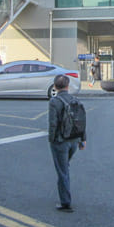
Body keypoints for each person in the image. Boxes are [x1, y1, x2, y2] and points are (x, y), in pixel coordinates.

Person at [48, 74, 86, 213]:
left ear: (55, 86)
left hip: (60, 141)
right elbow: (81, 120)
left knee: (62, 171)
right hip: (74, 140)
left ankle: (65, 202)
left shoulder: (54, 102)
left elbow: (53, 123)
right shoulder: (75, 100)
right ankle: (64, 196)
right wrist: (83, 139)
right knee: (64, 167)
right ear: (67, 86)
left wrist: (51, 140)